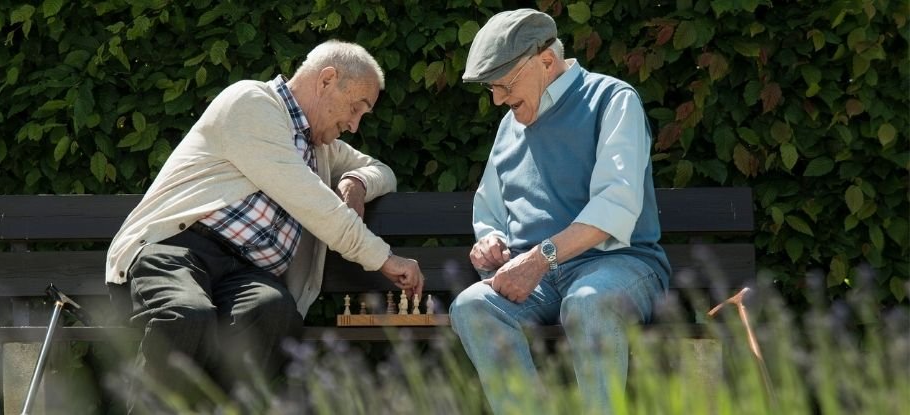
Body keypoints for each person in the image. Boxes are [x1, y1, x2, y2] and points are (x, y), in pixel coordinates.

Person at [105, 40, 425, 409]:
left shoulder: (322, 147)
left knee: (275, 312)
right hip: (178, 249)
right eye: (355, 108)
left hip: (246, 275)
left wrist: (356, 182)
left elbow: (382, 171)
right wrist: (384, 259)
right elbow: (311, 201)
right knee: (187, 315)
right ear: (327, 80)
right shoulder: (251, 104)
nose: (354, 125)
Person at [449, 9, 671, 414]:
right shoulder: (509, 124)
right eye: (491, 89)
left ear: (546, 61)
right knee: (473, 307)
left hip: (619, 263)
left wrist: (539, 258)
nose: (498, 98)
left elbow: (615, 205)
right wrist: (491, 241)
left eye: (504, 84)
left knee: (589, 301)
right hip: (541, 278)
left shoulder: (612, 100)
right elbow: (490, 209)